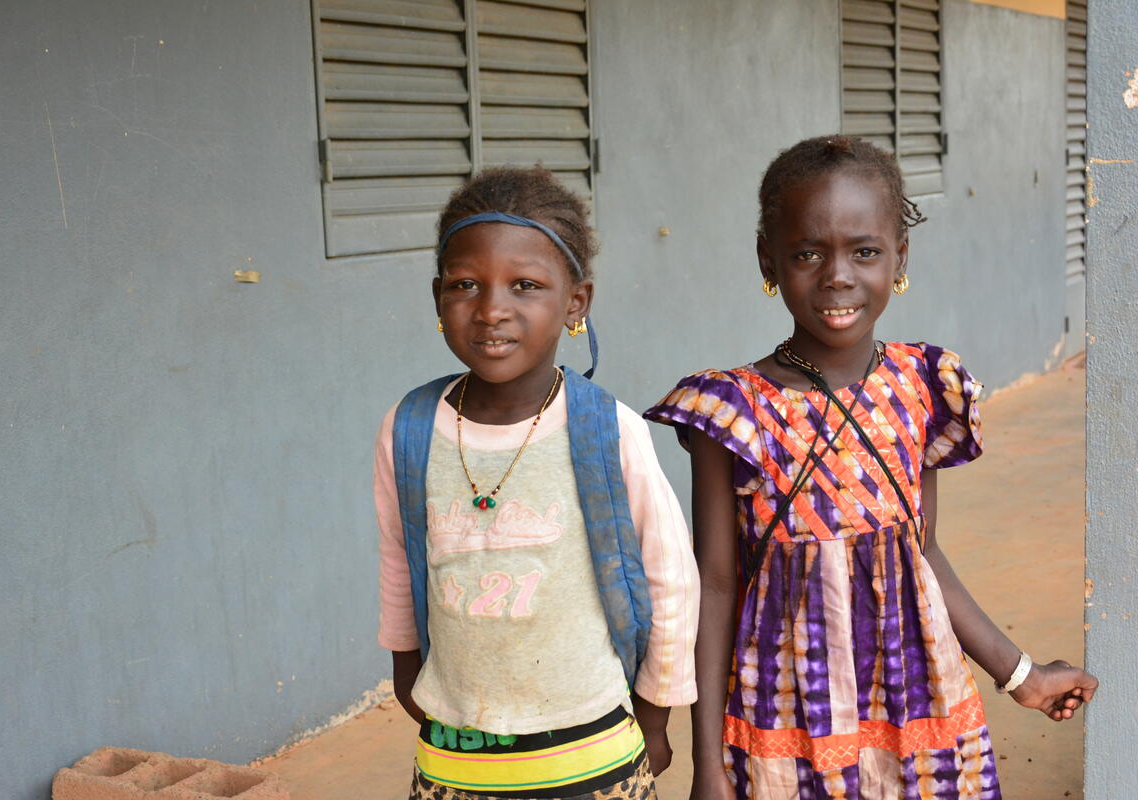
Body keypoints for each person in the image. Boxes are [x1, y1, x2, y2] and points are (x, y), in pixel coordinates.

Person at [643, 136, 1098, 799]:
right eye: (806, 253)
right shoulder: (733, 411)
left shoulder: (922, 384)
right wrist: (705, 765)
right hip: (785, 717)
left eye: (864, 251)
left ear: (899, 258)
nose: (837, 276)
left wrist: (1020, 673)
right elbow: (714, 587)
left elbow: (924, 552)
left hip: (916, 704)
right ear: (768, 260)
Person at [375, 166, 699, 800]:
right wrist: (406, 674)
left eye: (526, 285)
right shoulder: (408, 429)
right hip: (456, 753)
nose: (493, 308)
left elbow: (670, 578)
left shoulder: (609, 430)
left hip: (593, 751)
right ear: (438, 297)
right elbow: (399, 555)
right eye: (466, 284)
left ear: (575, 302)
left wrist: (656, 715)